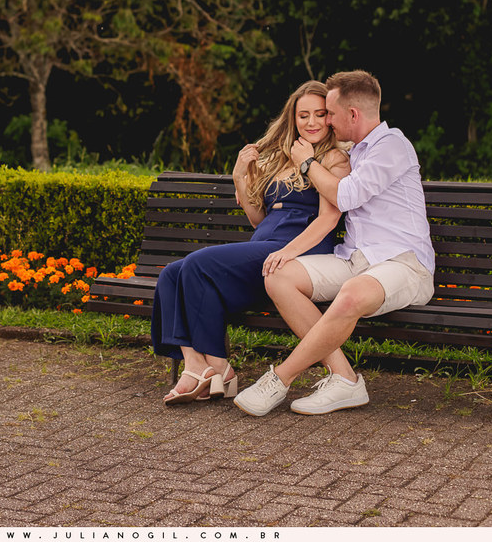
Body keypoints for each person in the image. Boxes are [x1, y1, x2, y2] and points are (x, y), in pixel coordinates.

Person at [233, 69, 434, 417]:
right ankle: (345, 379)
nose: (326, 121)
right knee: (279, 276)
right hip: (355, 260)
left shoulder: (392, 146)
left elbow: (347, 195)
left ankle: (279, 379)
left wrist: (307, 162)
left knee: (353, 293)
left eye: (330, 113)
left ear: (352, 114)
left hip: (404, 264)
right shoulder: (352, 151)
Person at [152, 80, 351, 405]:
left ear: (331, 118)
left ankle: (218, 367)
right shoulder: (283, 157)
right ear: (293, 118)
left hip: (300, 252)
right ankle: (194, 365)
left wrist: (287, 251)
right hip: (265, 246)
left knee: (199, 265)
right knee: (171, 274)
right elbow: (260, 220)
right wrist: (239, 178)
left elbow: (328, 218)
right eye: (304, 115)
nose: (312, 122)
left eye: (320, 114)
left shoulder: (334, 160)